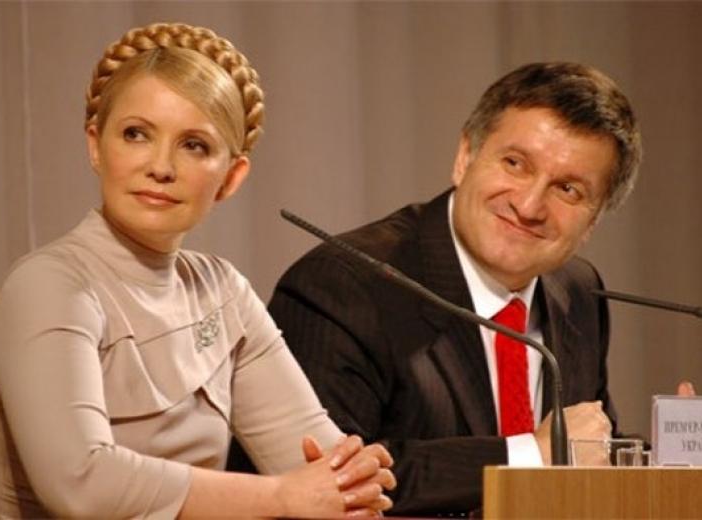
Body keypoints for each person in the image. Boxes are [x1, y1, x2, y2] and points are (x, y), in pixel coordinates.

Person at [0, 22, 395, 518]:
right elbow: (80, 484)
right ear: (96, 145)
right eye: (136, 134)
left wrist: (351, 482)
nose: (161, 167)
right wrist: (281, 496)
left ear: (231, 177)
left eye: (194, 145)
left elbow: (317, 464)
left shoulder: (223, 291)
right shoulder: (47, 286)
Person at [266, 62, 642, 515]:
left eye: (567, 189)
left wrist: (676, 451)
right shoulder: (344, 283)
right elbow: (330, 479)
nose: (529, 206)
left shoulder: (578, 291)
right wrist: (526, 456)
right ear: (465, 157)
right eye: (515, 164)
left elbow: (588, 453)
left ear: (594, 220)